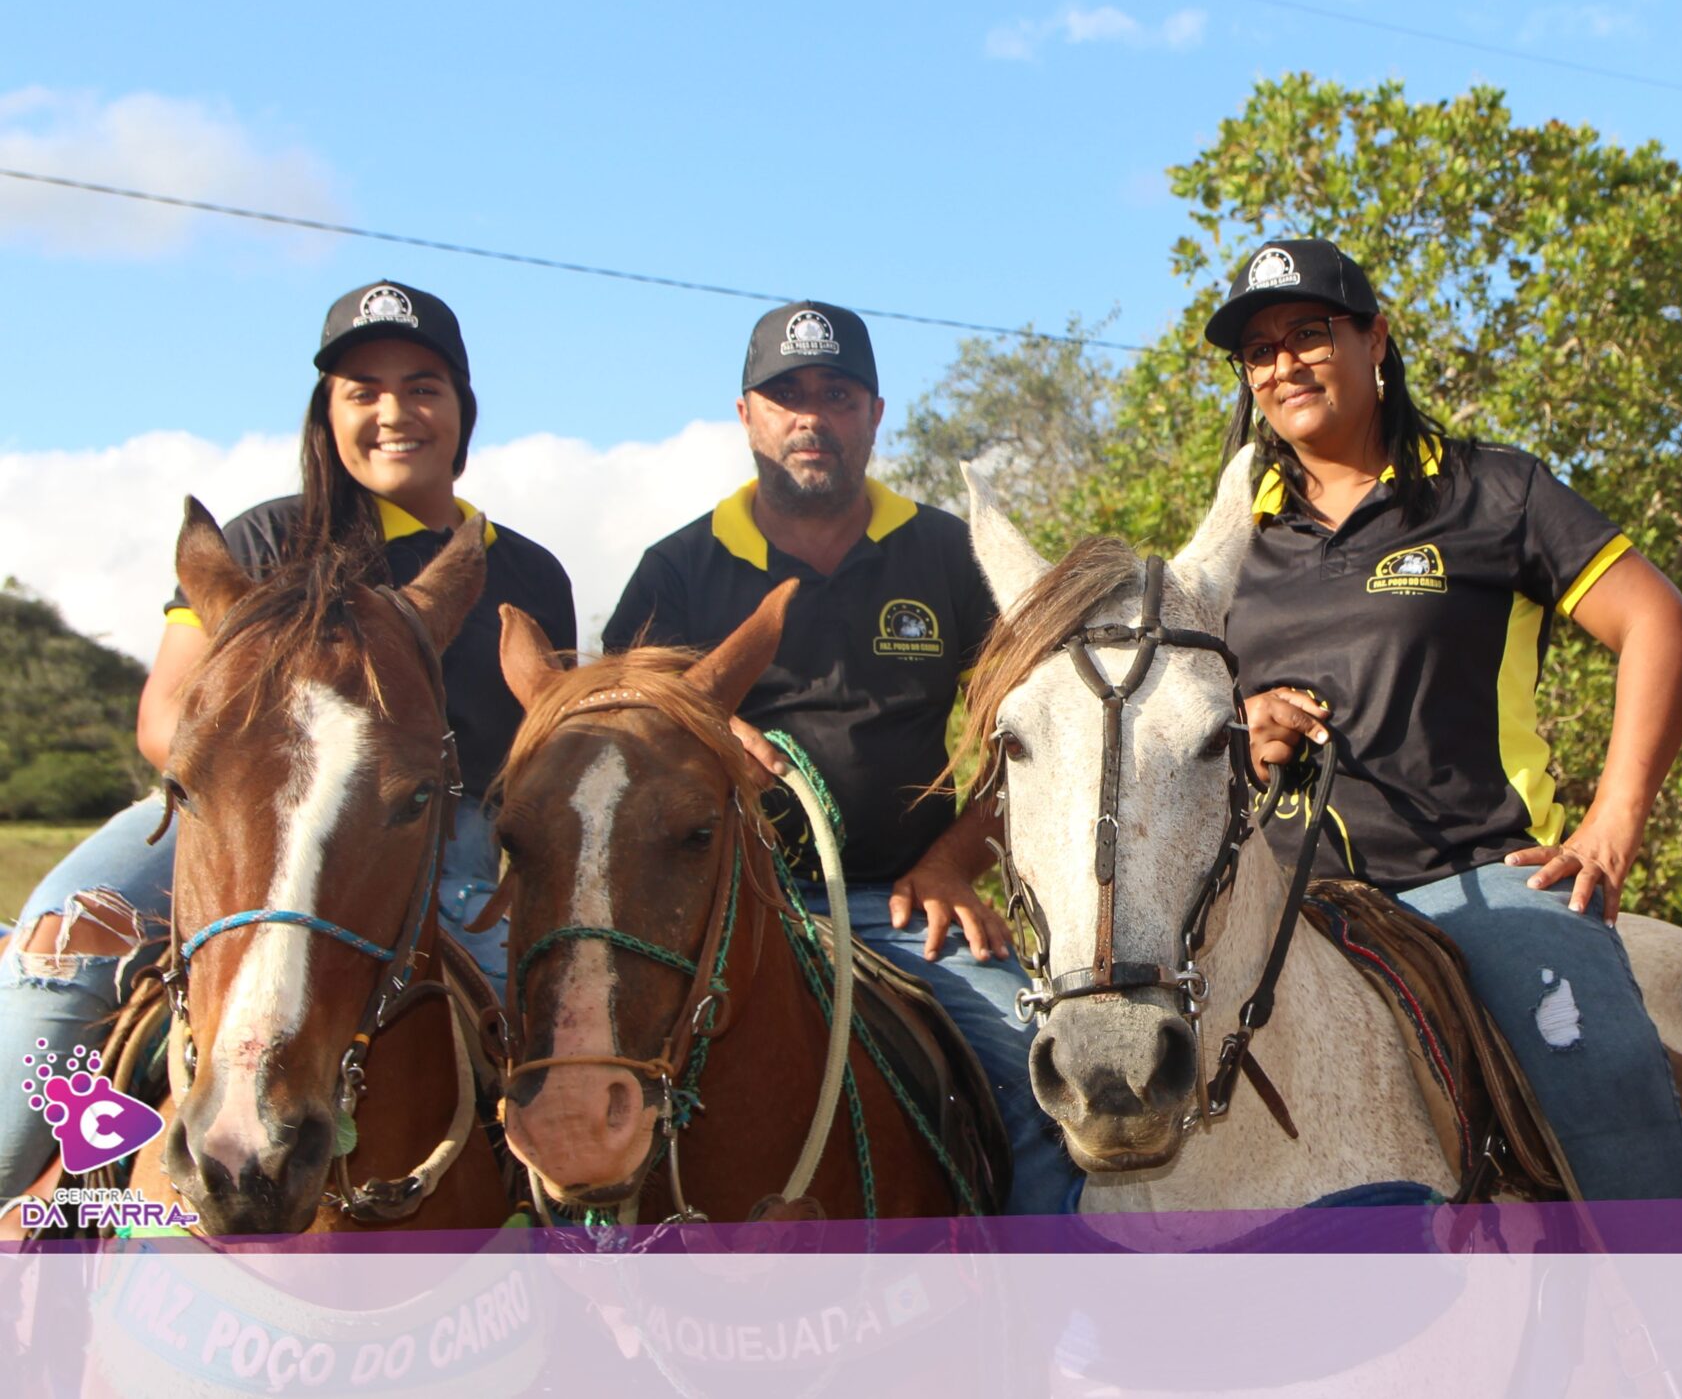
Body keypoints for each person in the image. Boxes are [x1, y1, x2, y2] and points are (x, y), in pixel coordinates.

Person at [0, 280, 574, 1201]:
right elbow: (166, 715)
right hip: (233, 818)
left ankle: (582, 1240)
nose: (395, 412)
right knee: (59, 939)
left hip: (445, 828)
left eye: (423, 385)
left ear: (463, 408)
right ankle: (39, 1185)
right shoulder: (265, 537)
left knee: (551, 1017)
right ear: (328, 413)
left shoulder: (528, 568)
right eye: (363, 390)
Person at [1204, 239, 1682, 1201]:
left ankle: (1681, 1325)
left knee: (1598, 1076)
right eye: (1258, 350)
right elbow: (1191, 720)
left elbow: (1661, 623)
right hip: (1281, 901)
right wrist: (1246, 724)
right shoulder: (1237, 535)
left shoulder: (1493, 491)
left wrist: (1614, 821)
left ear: (1376, 338)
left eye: (1309, 333)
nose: (1282, 364)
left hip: (1480, 876)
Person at [602, 300, 1072, 1216]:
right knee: (590, 1083)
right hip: (719, 915)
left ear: (875, 414)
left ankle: (1045, 1328)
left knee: (1045, 1077)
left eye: (837, 393)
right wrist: (691, 733)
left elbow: (1050, 733)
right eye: (786, 395)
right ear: (746, 416)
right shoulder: (679, 567)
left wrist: (951, 861)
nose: (811, 415)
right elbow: (609, 744)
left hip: (906, 911)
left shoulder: (949, 551)